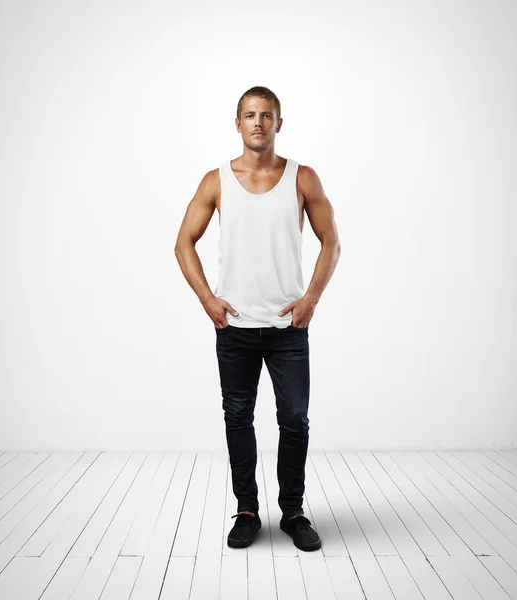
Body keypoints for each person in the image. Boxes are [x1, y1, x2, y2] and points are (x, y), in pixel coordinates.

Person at [174, 86, 341, 552]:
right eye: (250, 115)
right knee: (238, 418)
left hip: (290, 328)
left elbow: (332, 242)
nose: (258, 123)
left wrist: (310, 299)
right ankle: (247, 510)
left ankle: (292, 511)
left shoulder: (302, 178)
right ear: (237, 123)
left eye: (267, 116)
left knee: (294, 420)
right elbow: (183, 242)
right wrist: (208, 299)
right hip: (236, 329)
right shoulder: (216, 181)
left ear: (279, 124)